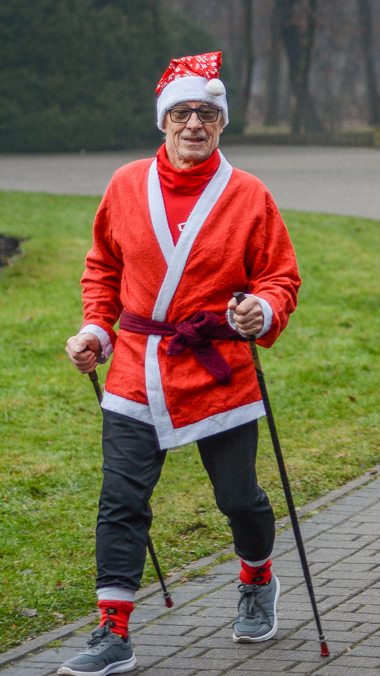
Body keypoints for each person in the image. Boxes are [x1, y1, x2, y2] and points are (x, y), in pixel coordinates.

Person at [60, 52, 301, 676]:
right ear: (163, 121)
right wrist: (96, 327)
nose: (195, 124)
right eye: (183, 112)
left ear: (222, 123)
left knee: (239, 499)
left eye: (208, 113)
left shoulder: (249, 195)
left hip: (217, 367)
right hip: (138, 367)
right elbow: (103, 267)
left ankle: (256, 576)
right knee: (121, 499)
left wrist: (262, 312)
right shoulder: (124, 184)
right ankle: (113, 632)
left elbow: (279, 277)